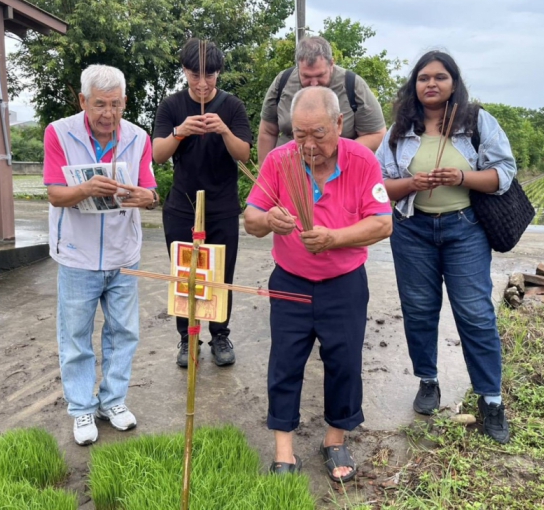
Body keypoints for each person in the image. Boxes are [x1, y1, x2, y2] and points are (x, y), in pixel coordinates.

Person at [245, 87, 393, 481]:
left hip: (344, 283)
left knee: (344, 362)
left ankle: (334, 439)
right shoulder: (280, 160)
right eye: (300, 135)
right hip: (290, 281)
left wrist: (334, 238)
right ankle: (284, 450)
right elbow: (251, 219)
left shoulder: (362, 160)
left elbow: (383, 223)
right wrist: (269, 220)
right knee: (285, 361)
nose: (309, 146)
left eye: (319, 134)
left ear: (339, 124)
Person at [375, 50, 517, 444]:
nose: (431, 84)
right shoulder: (399, 129)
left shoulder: (476, 122)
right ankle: (428, 381)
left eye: (440, 77)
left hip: (465, 229)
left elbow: (504, 172)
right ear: (414, 85)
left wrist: (461, 177)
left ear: (454, 83)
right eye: (424, 78)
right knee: (419, 309)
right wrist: (411, 184)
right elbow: (379, 185)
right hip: (412, 230)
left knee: (475, 313)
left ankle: (491, 399)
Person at [44, 64, 159, 446]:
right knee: (76, 336)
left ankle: (113, 401)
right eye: (100, 104)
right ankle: (81, 407)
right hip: (77, 256)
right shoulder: (59, 133)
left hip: (124, 253)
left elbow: (150, 191)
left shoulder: (139, 137)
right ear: (83, 101)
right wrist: (86, 189)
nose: (108, 114)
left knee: (124, 332)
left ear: (124, 102)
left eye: (116, 104)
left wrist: (147, 197)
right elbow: (55, 193)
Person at [152, 38, 252, 368]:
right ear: (185, 71)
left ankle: (220, 334)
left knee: (220, 274)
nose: (203, 83)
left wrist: (224, 130)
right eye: (195, 75)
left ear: (218, 73)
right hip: (182, 206)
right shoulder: (171, 106)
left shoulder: (232, 106)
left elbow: (244, 154)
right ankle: (187, 338)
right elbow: (157, 154)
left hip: (222, 206)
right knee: (186, 275)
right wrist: (180, 131)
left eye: (210, 75)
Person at [257, 36, 386, 165]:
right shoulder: (283, 82)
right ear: (298, 67)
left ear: (331, 64)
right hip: (288, 170)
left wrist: (338, 153)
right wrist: (264, 172)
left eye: (320, 75)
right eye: (306, 76)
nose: (314, 83)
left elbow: (377, 135)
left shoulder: (352, 85)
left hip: (340, 171)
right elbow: (268, 131)